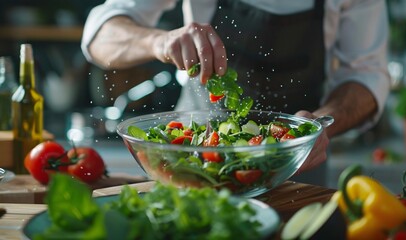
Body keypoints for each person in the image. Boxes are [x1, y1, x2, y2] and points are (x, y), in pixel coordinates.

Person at [81, 0, 390, 185]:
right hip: (193, 163)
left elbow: (367, 75)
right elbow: (99, 35)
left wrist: (317, 125)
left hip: (297, 167)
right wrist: (158, 42)